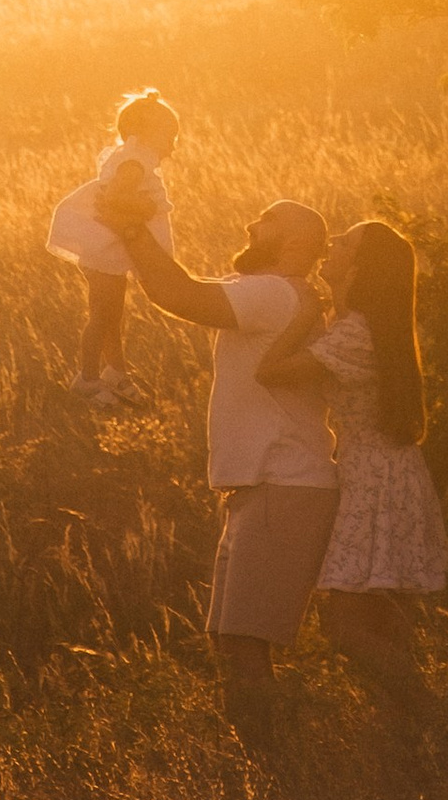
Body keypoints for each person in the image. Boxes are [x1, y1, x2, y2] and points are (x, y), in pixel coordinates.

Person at [115, 195, 335, 761]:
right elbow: (180, 285)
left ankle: (277, 773)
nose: (249, 224)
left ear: (293, 244)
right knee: (231, 642)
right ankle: (272, 764)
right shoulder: (276, 294)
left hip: (280, 484)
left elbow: (175, 294)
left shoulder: (272, 293)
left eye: (266, 220)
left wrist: (132, 228)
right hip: (267, 487)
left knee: (242, 645)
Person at [257, 219, 447, 726]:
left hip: (374, 481)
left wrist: (303, 314)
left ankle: (441, 719)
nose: (332, 246)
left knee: (344, 627)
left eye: (344, 243)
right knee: (387, 629)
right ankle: (414, 747)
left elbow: (269, 372)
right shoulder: (365, 325)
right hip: (389, 475)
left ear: (360, 266)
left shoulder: (356, 332)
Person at [44, 90, 181, 413]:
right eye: (169, 137)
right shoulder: (134, 163)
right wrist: (146, 207)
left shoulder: (137, 159)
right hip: (102, 247)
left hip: (109, 248)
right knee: (102, 315)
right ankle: (87, 379)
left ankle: (116, 372)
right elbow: (112, 199)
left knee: (112, 314)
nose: (173, 147)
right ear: (145, 134)